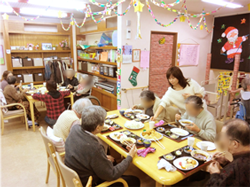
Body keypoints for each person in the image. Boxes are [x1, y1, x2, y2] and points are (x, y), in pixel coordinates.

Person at [65, 106, 140, 187]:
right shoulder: (94, 147)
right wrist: (129, 157)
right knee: (134, 181)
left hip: (77, 173)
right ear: (97, 127)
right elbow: (112, 175)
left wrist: (102, 157)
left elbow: (84, 151)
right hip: (90, 183)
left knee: (113, 161)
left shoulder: (75, 129)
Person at [205, 119, 250, 186]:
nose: (221, 140)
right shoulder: (242, 161)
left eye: (223, 137)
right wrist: (225, 162)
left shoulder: (240, 166)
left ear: (235, 144)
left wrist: (214, 174)